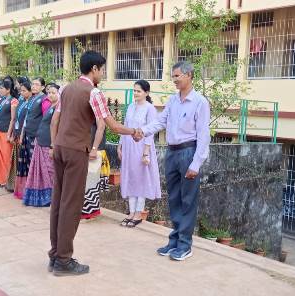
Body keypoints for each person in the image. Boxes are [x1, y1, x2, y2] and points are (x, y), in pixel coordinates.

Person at [47, 50, 138, 276]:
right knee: (71, 204)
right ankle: (64, 261)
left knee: (58, 201)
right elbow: (111, 125)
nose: (103, 73)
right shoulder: (94, 92)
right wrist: (135, 131)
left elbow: (54, 120)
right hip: (77, 150)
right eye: (102, 69)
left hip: (59, 148)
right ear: (94, 69)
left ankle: (55, 254)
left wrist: (54, 145)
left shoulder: (66, 89)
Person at [135, 61, 210, 261]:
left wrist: (196, 163)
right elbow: (161, 122)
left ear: (189, 75)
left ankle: (185, 244)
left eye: (177, 76)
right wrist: (142, 131)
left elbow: (204, 135)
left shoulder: (200, 102)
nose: (174, 79)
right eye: (173, 76)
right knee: (174, 198)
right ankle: (175, 240)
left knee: (188, 200)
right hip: (172, 153)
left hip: (188, 152)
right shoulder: (173, 101)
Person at [118, 80, 161, 227]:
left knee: (141, 179)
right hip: (129, 147)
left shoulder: (150, 109)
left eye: (139, 91)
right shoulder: (130, 107)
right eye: (134, 90)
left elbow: (151, 132)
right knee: (130, 177)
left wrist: (146, 153)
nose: (135, 93)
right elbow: (125, 127)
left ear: (146, 93)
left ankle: (138, 213)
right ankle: (131, 212)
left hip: (142, 147)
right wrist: (120, 146)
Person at [23, 83, 59, 206]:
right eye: (49, 92)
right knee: (40, 171)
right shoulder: (50, 106)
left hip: (48, 144)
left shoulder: (58, 108)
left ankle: (50, 197)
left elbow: (56, 128)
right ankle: (39, 197)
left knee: (49, 171)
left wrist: (52, 146)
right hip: (41, 141)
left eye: (54, 92)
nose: (50, 95)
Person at [13, 78, 46, 199]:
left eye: (37, 84)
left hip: (36, 136)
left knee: (35, 164)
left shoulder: (44, 99)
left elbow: (45, 120)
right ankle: (29, 189)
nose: (34, 86)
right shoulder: (31, 98)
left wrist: (40, 136)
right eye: (33, 84)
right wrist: (22, 135)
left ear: (43, 87)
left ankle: (39, 191)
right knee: (28, 163)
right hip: (27, 134)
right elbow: (26, 119)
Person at [80, 119, 109, 220]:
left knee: (90, 184)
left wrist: (94, 148)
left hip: (94, 150)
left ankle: (89, 213)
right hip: (84, 148)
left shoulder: (97, 104)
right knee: (83, 182)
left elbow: (101, 127)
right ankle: (83, 211)